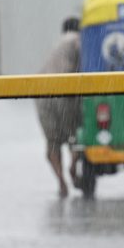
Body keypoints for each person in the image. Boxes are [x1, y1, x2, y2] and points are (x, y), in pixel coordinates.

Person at [36, 16, 82, 197]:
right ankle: (73, 167)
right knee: (74, 135)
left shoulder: (57, 44)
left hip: (41, 92)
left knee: (53, 141)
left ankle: (61, 182)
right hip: (64, 89)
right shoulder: (77, 40)